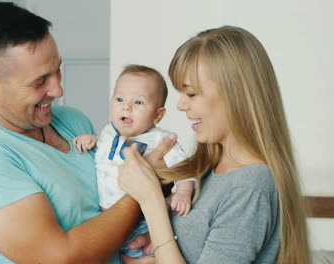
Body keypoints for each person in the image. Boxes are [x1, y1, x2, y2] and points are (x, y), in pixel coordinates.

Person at [0, 2, 174, 263]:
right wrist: (144, 187)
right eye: (40, 81)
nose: (58, 90)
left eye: (57, 70)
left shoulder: (73, 121)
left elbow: (106, 213)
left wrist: (143, 241)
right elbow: (60, 258)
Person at [118, 26, 311, 264]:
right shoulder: (211, 167)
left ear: (235, 95)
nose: (180, 105)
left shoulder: (249, 187)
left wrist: (152, 202)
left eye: (191, 94)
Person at [73, 64, 195, 257]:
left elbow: (185, 169)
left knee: (144, 254)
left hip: (142, 221)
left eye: (138, 102)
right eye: (119, 99)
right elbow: (105, 156)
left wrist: (182, 192)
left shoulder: (160, 140)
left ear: (158, 114)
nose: (126, 107)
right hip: (106, 218)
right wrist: (92, 140)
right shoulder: (108, 131)